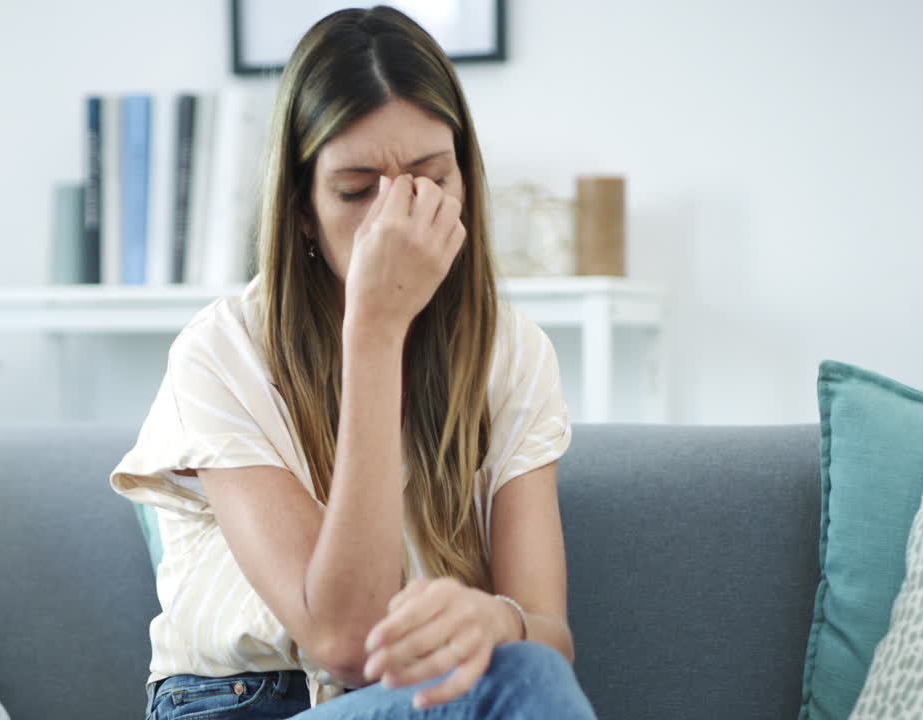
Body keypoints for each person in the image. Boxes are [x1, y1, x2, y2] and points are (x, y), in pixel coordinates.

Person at [109, 6, 598, 719]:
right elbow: (347, 638)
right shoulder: (221, 353)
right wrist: (374, 330)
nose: (395, 213)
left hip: (430, 703)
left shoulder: (512, 353)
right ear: (303, 208)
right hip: (242, 704)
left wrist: (500, 621)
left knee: (525, 674)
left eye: (430, 176)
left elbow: (546, 636)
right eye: (356, 189)